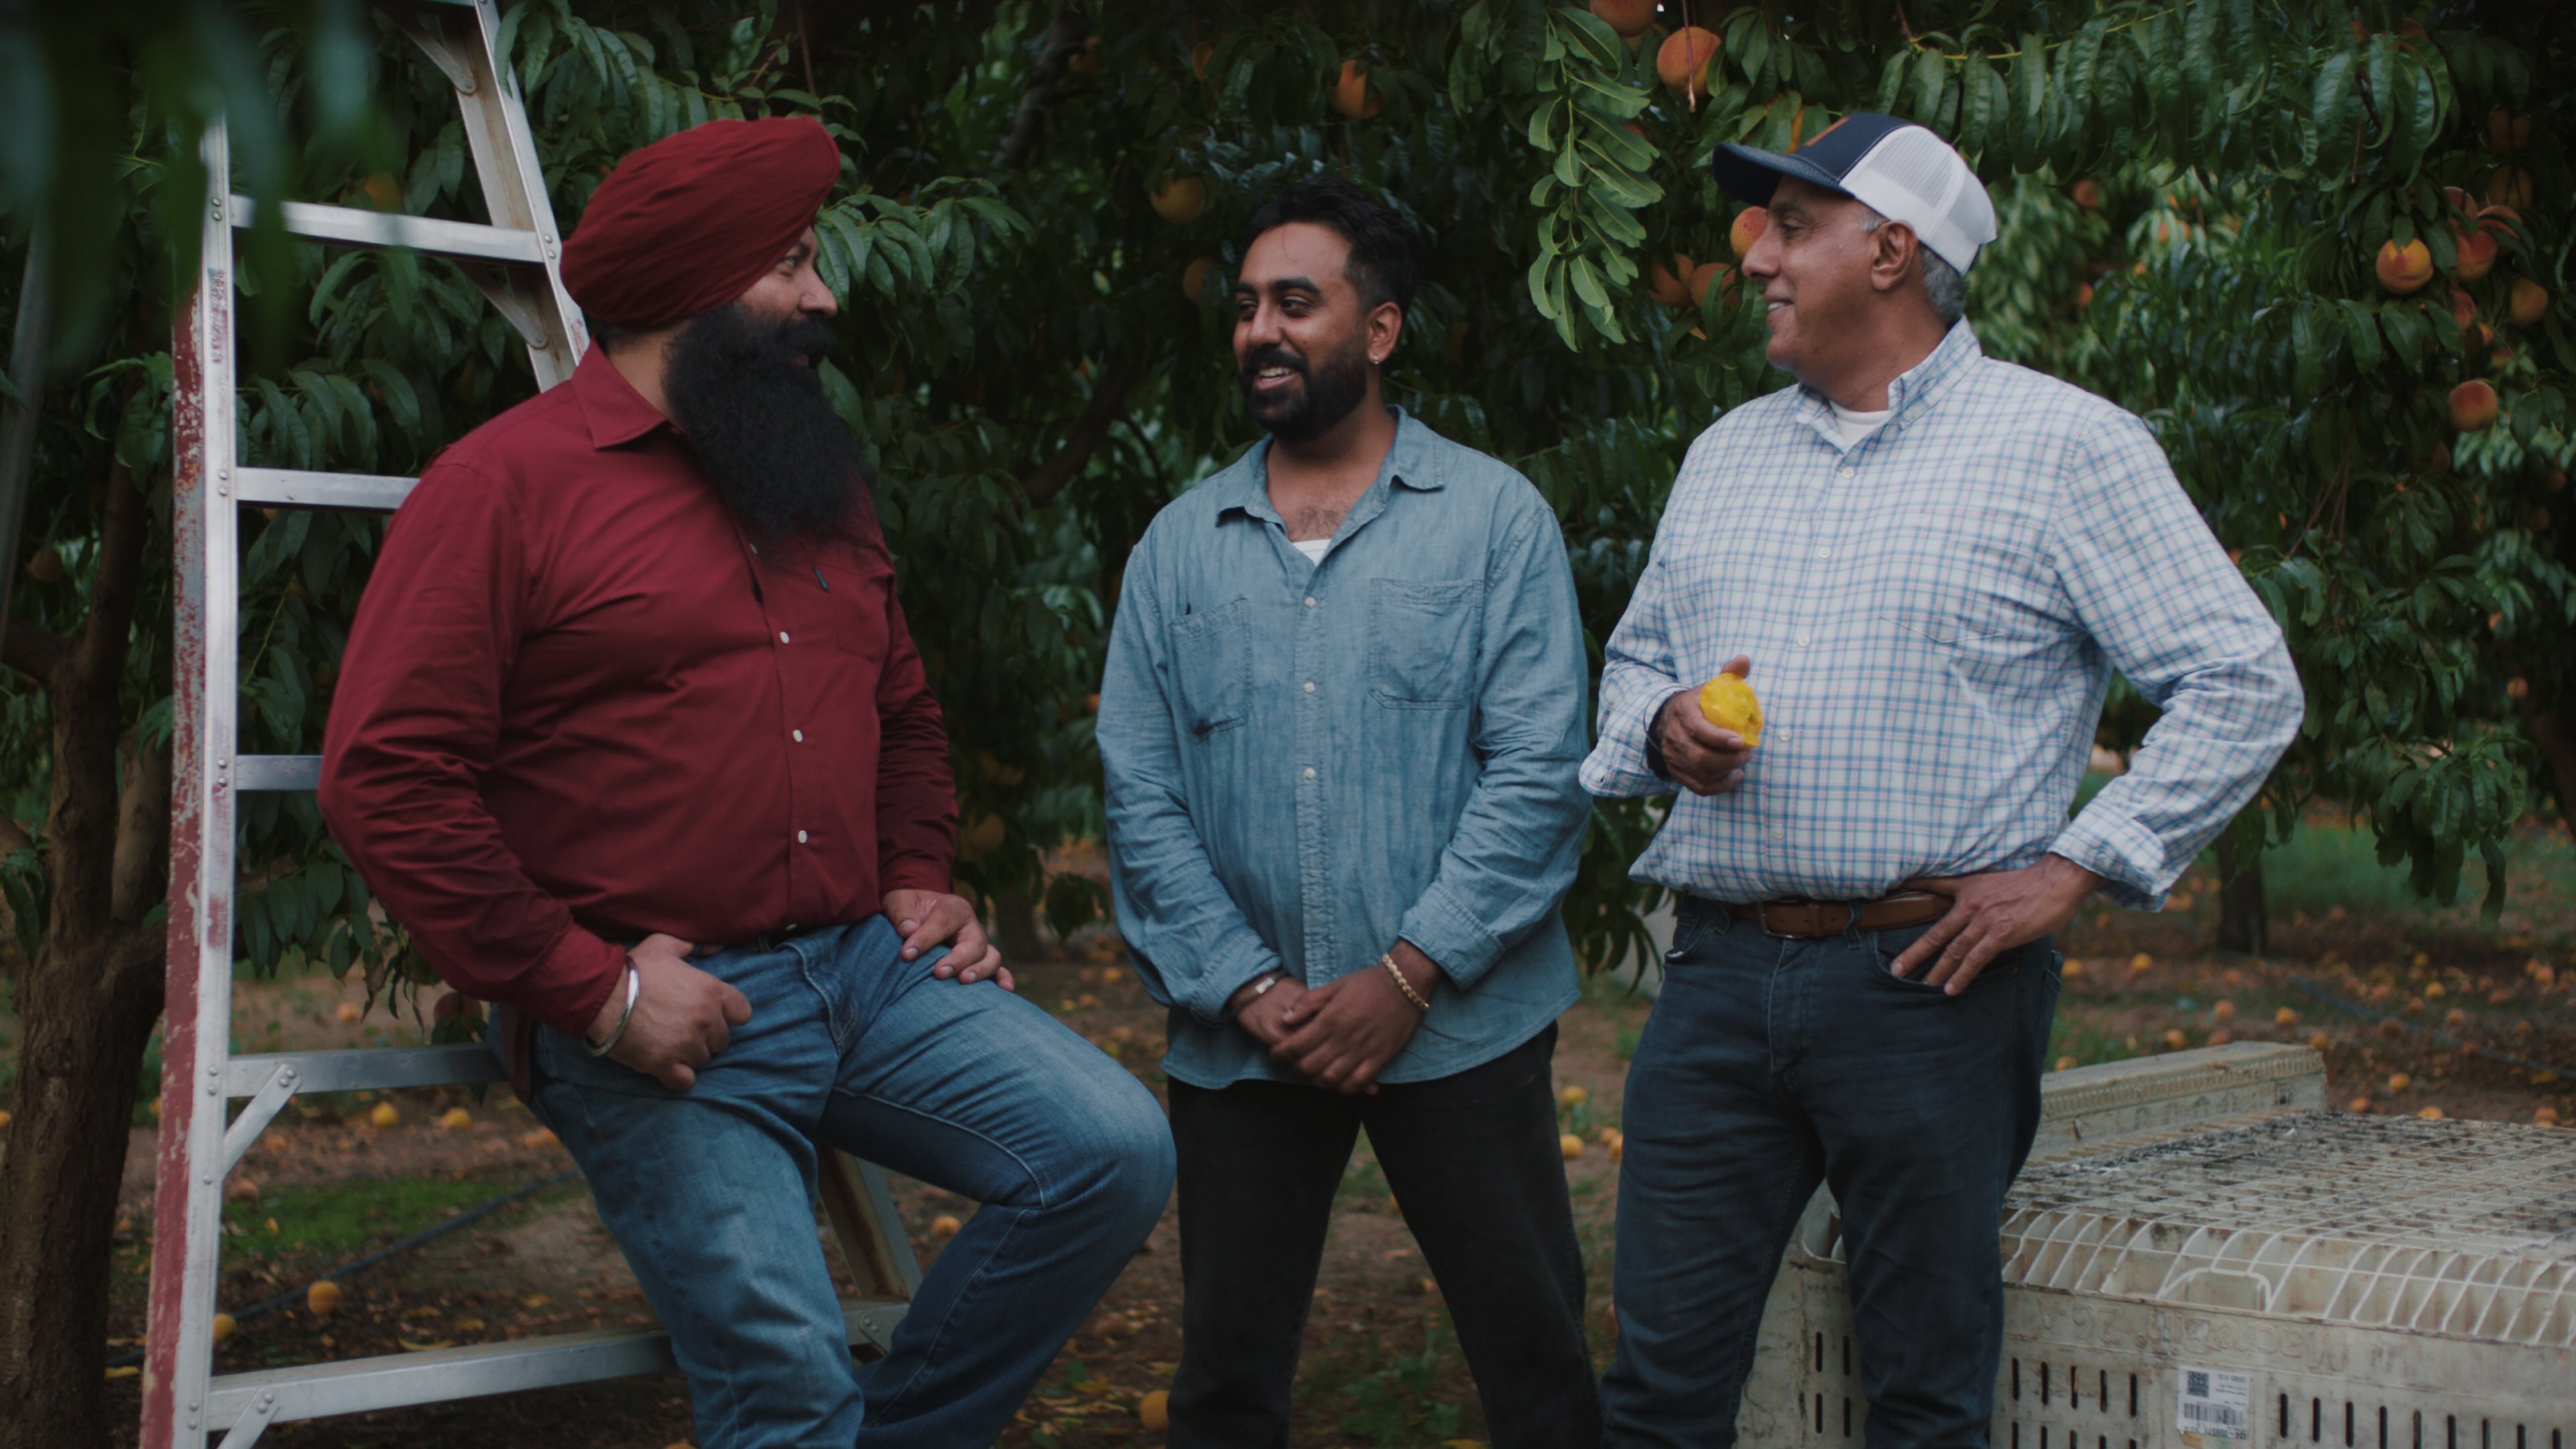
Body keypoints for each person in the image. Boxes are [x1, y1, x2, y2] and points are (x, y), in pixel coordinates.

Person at [319, 115, 1173, 1449]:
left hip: (863, 969)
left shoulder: (813, 477)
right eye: (792, 266)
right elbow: (387, 779)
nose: (823, 296)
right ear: (692, 296)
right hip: (661, 1008)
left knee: (1112, 1155)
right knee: (783, 1374)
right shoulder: (503, 487)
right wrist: (595, 995)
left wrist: (918, 878)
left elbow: (900, 710)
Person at [1581, 115, 2303, 1448]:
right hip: (1721, 981)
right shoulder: (1725, 456)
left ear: (1893, 252)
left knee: (1921, 1394)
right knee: (1657, 1393)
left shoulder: (2064, 450)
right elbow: (1630, 674)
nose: (1757, 259)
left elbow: (2243, 680)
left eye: (1795, 227)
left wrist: (2079, 865)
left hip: (1929, 982)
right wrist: (1664, 725)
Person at [1097, 177, 1604, 1449]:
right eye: (1249, 304)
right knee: (1223, 1382)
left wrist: (1408, 972)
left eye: (1297, 303)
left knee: (1537, 1364)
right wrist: (1246, 985)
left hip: (1461, 1025)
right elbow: (1140, 792)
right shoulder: (1177, 548)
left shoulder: (1495, 523)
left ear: (1377, 332)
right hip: (1245, 1043)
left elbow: (1538, 772)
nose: (1260, 329)